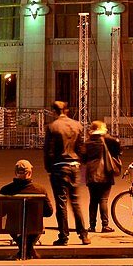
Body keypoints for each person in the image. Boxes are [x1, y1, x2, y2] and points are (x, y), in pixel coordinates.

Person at [43, 100, 89, 245]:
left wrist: (49, 168)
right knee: (75, 202)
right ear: (66, 110)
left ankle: (63, 236)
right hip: (74, 167)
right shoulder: (77, 125)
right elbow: (81, 148)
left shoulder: (52, 127)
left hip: (59, 167)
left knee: (61, 203)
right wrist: (80, 163)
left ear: (54, 111)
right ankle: (83, 235)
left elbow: (48, 151)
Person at [0, 159, 54, 259]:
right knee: (37, 226)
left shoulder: (6, 190)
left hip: (13, 227)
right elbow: (49, 212)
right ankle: (29, 249)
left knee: (13, 225)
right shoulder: (40, 190)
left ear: (15, 172)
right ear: (30, 173)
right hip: (34, 227)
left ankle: (24, 251)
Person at [82, 120, 121, 233]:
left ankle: (92, 226)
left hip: (91, 173)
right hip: (105, 172)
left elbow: (83, 158)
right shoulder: (107, 140)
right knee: (103, 199)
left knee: (93, 200)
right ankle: (105, 225)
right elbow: (118, 147)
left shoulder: (87, 142)